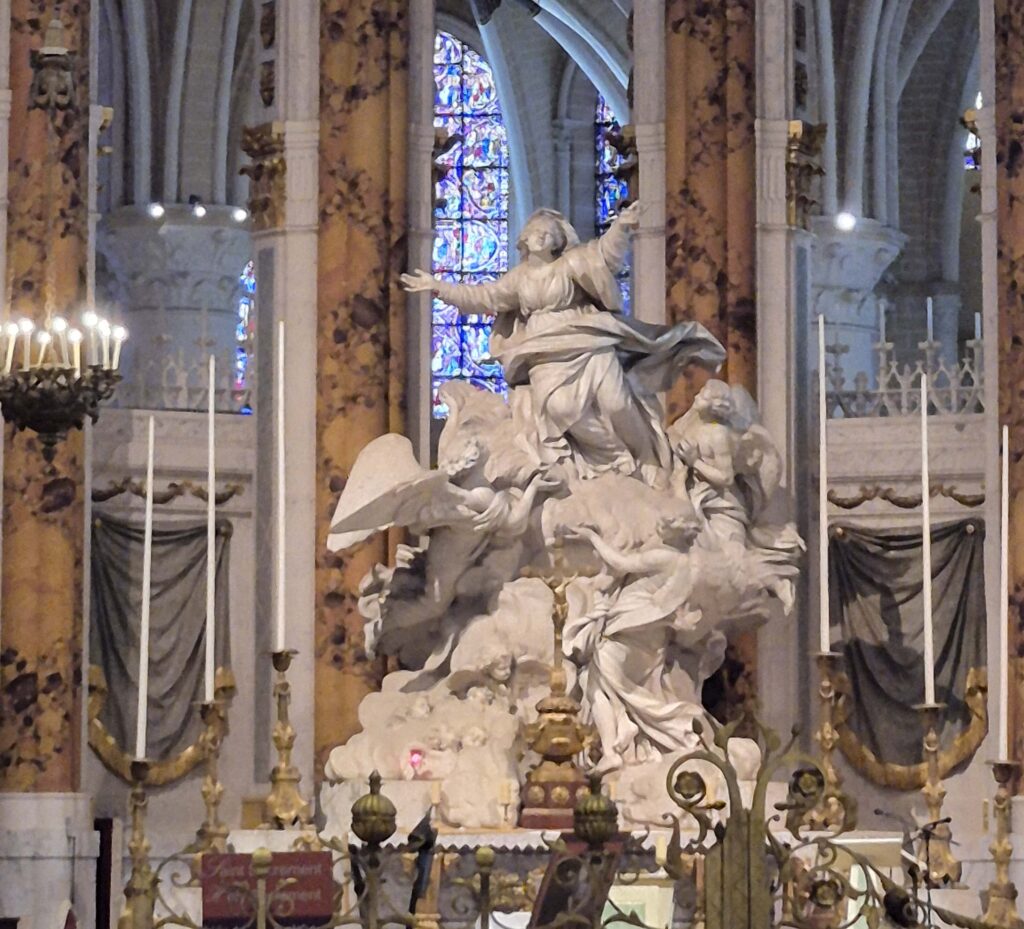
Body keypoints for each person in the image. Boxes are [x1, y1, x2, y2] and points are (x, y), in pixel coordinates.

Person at [402, 204, 725, 486]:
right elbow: (482, 296)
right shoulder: (518, 278)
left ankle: (648, 463)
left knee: (617, 403)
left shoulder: (571, 265)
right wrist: (438, 287)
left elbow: (604, 256)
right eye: (536, 230)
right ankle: (612, 458)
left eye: (549, 231)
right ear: (524, 238)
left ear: (559, 239)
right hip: (542, 352)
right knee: (560, 410)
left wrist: (621, 227)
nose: (542, 235)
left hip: (586, 340)